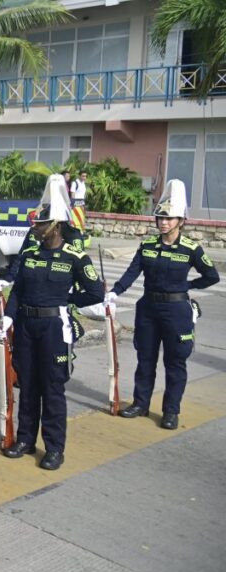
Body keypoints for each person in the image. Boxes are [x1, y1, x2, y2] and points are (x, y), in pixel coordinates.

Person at [0, 175, 104, 470]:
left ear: (55, 225)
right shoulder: (30, 253)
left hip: (54, 328)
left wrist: (69, 300)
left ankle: (55, 448)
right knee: (28, 386)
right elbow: (18, 289)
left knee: (53, 389)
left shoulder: (75, 257)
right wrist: (8, 317)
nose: (35, 227)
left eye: (41, 224)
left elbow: (95, 292)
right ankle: (25, 439)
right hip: (27, 328)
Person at [106, 180, 219, 429]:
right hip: (148, 309)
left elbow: (212, 276)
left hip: (176, 311)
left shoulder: (191, 248)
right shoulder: (147, 246)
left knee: (175, 362)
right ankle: (140, 403)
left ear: (181, 221)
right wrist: (115, 292)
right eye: (160, 218)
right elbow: (132, 272)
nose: (163, 222)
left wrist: (189, 287)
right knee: (145, 358)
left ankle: (170, 411)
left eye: (169, 219)